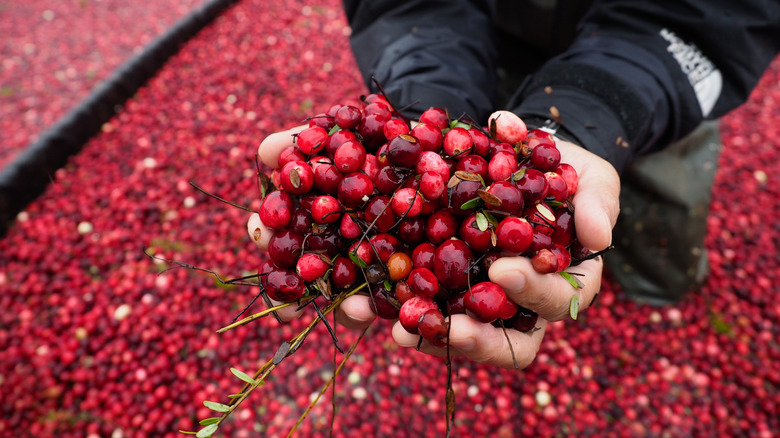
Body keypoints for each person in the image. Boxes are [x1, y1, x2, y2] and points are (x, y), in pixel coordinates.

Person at [250, 0, 780, 369]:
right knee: (536, 263)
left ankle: (655, 298)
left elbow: (715, 14)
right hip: (478, 42)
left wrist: (595, 113)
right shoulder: (416, 191)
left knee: (648, 238)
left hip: (653, 69)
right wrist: (418, 97)